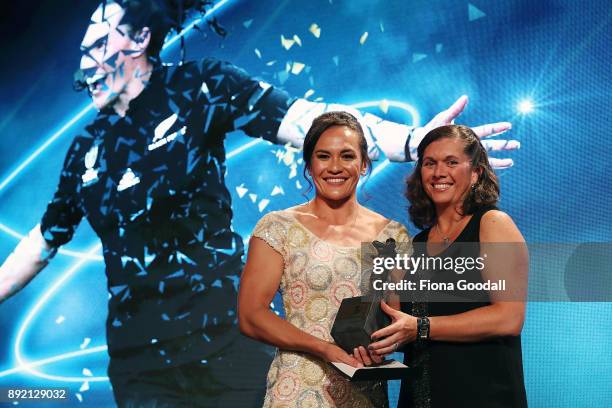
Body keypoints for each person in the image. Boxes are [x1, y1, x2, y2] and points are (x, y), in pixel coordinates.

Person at [0, 0, 519, 406]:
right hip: (140, 360)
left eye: (101, 26)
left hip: (223, 341)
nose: (85, 42)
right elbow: (45, 239)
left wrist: (413, 143)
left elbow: (307, 120)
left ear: (138, 38)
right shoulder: (84, 147)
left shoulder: (200, 86)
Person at [238, 111, 411, 407]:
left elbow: (393, 319)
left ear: (364, 164)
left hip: (364, 394)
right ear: (309, 164)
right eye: (323, 156)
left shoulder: (390, 235)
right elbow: (251, 316)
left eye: (347, 156)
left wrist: (384, 345)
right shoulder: (279, 227)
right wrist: (324, 349)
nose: (335, 167)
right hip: (296, 391)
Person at [367, 124, 528, 407]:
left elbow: (508, 318)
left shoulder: (491, 224)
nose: (439, 172)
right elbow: (402, 329)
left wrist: (422, 327)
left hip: (482, 396)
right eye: (430, 163)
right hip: (418, 398)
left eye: (451, 162)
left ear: (476, 172)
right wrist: (372, 342)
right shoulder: (415, 244)